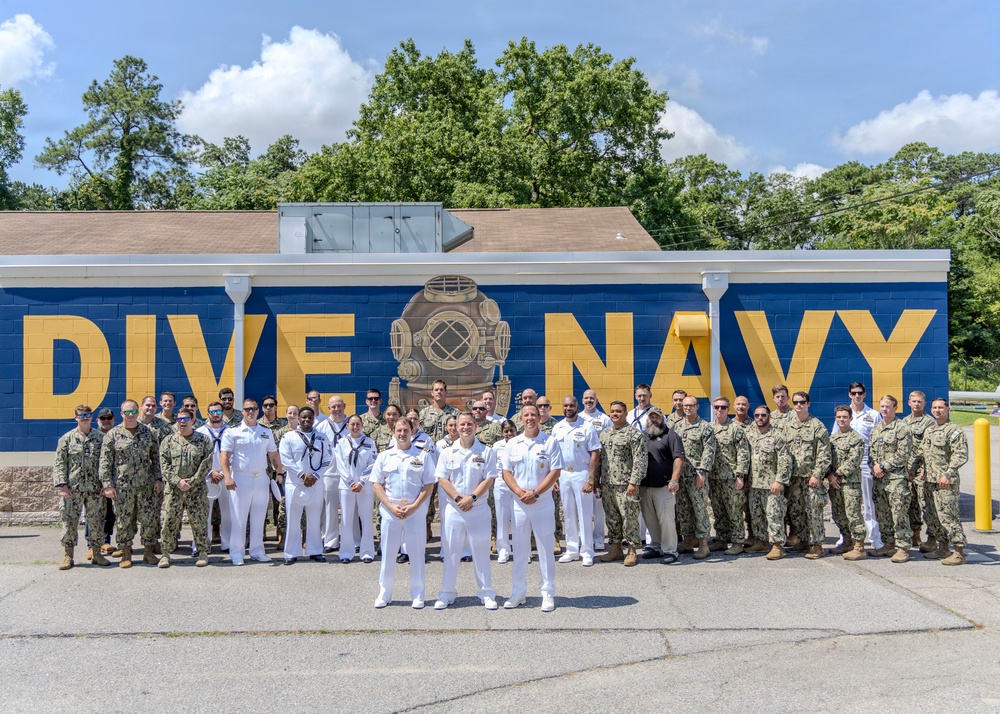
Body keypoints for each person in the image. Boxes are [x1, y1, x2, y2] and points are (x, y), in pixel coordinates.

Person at [500, 404, 564, 611]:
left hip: (542, 502)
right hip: (519, 503)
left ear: (539, 418)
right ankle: (518, 592)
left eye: (533, 415)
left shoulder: (550, 442)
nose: (530, 418)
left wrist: (535, 493)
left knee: (545, 549)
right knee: (520, 550)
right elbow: (506, 472)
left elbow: (555, 471)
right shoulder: (513, 444)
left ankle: (548, 593)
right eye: (526, 415)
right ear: (521, 419)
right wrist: (520, 492)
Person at [434, 412, 499, 610]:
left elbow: (489, 479)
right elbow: (442, 478)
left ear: (476, 426)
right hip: (454, 510)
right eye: (462, 424)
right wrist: (457, 498)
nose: (465, 427)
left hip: (478, 509)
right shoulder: (447, 452)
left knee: (481, 552)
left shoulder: (486, 451)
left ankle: (486, 593)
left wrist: (472, 498)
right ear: (456, 427)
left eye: (469, 424)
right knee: (451, 552)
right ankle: (447, 593)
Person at [370, 418, 436, 608]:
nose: (402, 434)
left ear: (412, 431)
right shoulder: (385, 456)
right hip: (391, 511)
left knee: (416, 553)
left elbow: (429, 484)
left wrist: (414, 506)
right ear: (393, 432)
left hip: (414, 512)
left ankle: (418, 593)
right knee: (388, 553)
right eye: (398, 430)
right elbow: (376, 484)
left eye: (406, 430)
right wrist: (390, 506)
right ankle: (385, 593)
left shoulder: (422, 456)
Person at [99, 400, 163, 568]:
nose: (131, 415)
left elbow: (156, 458)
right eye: (127, 412)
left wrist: (158, 478)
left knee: (148, 519)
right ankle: (126, 553)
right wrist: (108, 485)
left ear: (137, 412)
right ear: (122, 414)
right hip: (122, 487)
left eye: (133, 412)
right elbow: (105, 462)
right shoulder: (112, 435)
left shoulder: (148, 433)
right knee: (123, 520)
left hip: (146, 485)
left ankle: (148, 551)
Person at [221, 398, 285, 566]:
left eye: (254, 409)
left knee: (259, 517)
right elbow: (224, 456)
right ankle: (237, 553)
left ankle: (257, 551)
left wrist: (279, 471)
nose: (251, 412)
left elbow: (273, 454)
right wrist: (227, 477)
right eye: (248, 409)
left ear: (258, 411)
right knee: (239, 518)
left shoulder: (265, 431)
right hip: (240, 479)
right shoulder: (232, 432)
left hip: (261, 478)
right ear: (242, 411)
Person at [53, 405, 110, 569]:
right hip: (73, 489)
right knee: (69, 523)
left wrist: (106, 484)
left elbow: (106, 463)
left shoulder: (101, 438)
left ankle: (97, 554)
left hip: (95, 489)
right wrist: (62, 486)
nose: (85, 418)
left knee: (97, 522)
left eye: (87, 415)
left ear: (92, 417)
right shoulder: (67, 439)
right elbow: (59, 463)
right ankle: (68, 556)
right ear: (76, 418)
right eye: (81, 415)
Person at [157, 408, 213, 568]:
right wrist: (178, 482)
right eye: (180, 419)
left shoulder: (203, 440)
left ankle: (203, 552)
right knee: (169, 522)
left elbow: (207, 463)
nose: (182, 422)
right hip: (174, 490)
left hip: (196, 490)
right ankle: (165, 554)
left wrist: (192, 481)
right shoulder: (168, 441)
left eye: (186, 419)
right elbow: (164, 465)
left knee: (199, 521)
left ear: (192, 420)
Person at [551, 396, 601, 566]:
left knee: (584, 513)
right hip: (564, 473)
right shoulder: (558, 427)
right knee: (568, 513)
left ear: (577, 406)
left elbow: (595, 453)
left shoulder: (586, 426)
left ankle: (587, 551)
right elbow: (553, 454)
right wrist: (553, 477)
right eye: (565, 405)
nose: (568, 408)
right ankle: (572, 550)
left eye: (571, 405)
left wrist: (591, 479)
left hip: (581, 472)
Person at [920, 399, 970, 565]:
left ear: (948, 409)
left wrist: (948, 474)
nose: (937, 410)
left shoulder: (954, 430)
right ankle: (943, 548)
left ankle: (959, 552)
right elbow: (924, 452)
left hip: (945, 482)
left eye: (941, 407)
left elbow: (960, 455)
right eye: (934, 408)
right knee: (934, 516)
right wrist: (922, 469)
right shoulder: (930, 430)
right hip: (930, 480)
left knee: (948, 516)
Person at [597, 401, 648, 567]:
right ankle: (616, 549)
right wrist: (596, 480)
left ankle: (632, 551)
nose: (615, 414)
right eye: (612, 411)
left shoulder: (634, 434)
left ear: (626, 414)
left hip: (626, 485)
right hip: (608, 484)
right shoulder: (604, 434)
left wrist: (634, 482)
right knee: (612, 518)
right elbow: (600, 459)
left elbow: (640, 460)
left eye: (618, 411)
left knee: (629, 518)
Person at [278, 405, 330, 565]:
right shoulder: (288, 437)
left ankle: (315, 550)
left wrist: (315, 475)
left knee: (314, 518)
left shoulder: (322, 437)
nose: (307, 420)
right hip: (295, 483)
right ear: (298, 419)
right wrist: (302, 475)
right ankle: (291, 553)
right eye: (304, 417)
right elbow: (285, 459)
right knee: (293, 519)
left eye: (310, 417)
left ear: (314, 419)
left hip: (315, 482)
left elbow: (328, 459)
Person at [783, 391, 832, 559]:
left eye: (802, 402)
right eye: (796, 402)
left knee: (813, 512)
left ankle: (817, 545)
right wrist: (786, 475)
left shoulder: (816, 426)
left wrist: (817, 475)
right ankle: (803, 541)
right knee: (796, 511)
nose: (799, 405)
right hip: (794, 478)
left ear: (808, 403)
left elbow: (824, 454)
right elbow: (783, 452)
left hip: (811, 478)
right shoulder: (787, 426)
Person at [868, 395, 913, 562]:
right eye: (882, 406)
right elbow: (871, 452)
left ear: (895, 408)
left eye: (888, 406)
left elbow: (903, 454)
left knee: (899, 513)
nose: (884, 409)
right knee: (883, 513)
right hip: (880, 479)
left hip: (896, 479)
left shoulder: (902, 428)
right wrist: (875, 466)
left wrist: (883, 466)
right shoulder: (876, 429)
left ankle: (903, 548)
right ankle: (888, 545)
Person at [744, 407, 792, 560]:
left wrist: (779, 480)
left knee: (774, 515)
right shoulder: (749, 435)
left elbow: (785, 461)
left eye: (763, 415)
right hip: (754, 484)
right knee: (756, 515)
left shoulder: (777, 436)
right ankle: (761, 542)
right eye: (757, 415)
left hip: (771, 485)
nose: (760, 418)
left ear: (769, 417)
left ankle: (777, 546)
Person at [639, 406, 684, 564]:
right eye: (651, 417)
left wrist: (674, 479)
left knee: (666, 520)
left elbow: (679, 458)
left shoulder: (671, 435)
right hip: (645, 486)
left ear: (662, 418)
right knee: (650, 519)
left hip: (664, 486)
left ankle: (670, 550)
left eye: (657, 417)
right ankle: (657, 546)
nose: (654, 420)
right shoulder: (643, 436)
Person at [675, 395, 716, 560]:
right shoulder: (677, 426)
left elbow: (709, 451)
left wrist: (703, 472)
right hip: (681, 476)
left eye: (691, 405)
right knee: (683, 509)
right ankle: (688, 540)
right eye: (685, 405)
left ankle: (704, 544)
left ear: (697, 407)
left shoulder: (705, 427)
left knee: (700, 510)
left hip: (697, 476)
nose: (687, 408)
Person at [709, 396, 750, 555]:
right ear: (713, 409)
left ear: (728, 409)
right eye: (717, 407)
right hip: (714, 477)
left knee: (734, 511)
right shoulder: (709, 428)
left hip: (730, 478)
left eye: (723, 407)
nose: (719, 410)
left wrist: (740, 476)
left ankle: (738, 542)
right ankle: (721, 539)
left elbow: (743, 453)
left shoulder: (735, 429)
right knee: (718, 510)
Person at [336, 414, 378, 563]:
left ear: (362, 425)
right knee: (346, 520)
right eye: (352, 424)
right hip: (346, 486)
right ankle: (346, 553)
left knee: (367, 519)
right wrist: (350, 482)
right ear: (347, 426)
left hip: (364, 487)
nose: (355, 427)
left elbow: (373, 463)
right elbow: (340, 464)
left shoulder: (369, 442)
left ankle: (367, 552)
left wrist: (361, 482)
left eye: (357, 424)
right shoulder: (341, 443)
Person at [827, 405, 867, 560]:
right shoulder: (831, 439)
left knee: (853, 514)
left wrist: (836, 474)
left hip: (850, 483)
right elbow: (826, 459)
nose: (841, 420)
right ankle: (847, 541)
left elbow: (854, 460)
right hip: (835, 484)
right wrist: (829, 476)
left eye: (844, 417)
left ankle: (860, 547)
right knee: (839, 514)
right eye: (839, 417)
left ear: (851, 418)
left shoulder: (856, 438)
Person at [847, 382, 882, 548]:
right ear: (849, 395)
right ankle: (847, 539)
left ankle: (875, 538)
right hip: (847, 465)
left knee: (869, 503)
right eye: (854, 393)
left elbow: (879, 441)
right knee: (849, 503)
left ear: (865, 394)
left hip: (866, 462)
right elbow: (835, 437)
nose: (857, 396)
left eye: (860, 393)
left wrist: (876, 463)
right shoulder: (843, 413)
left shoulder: (873, 415)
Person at [904, 391, 939, 553]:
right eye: (914, 401)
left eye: (919, 402)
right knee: (911, 503)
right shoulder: (904, 422)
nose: (916, 404)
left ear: (924, 404)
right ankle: (915, 533)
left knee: (926, 504)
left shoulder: (929, 422)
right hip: (907, 469)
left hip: (922, 470)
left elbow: (930, 448)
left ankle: (932, 537)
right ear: (909, 403)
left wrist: (925, 468)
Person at [314, 395, 349, 554]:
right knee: (330, 508)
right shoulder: (322, 426)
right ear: (328, 408)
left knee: (350, 508)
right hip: (329, 473)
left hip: (348, 473)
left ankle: (352, 540)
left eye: (339, 405)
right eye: (333, 406)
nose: (336, 409)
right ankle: (331, 540)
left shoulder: (351, 424)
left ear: (344, 405)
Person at [578, 389, 611, 551]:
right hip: (582, 468)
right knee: (582, 504)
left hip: (599, 467)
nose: (589, 400)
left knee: (598, 505)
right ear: (582, 400)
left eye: (592, 398)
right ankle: (584, 537)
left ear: (596, 401)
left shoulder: (604, 419)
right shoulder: (577, 419)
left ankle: (598, 538)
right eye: (586, 398)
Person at [197, 401, 232, 552]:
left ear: (222, 413)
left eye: (218, 412)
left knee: (228, 512)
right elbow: (197, 456)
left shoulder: (231, 431)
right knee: (204, 512)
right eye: (212, 412)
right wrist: (210, 471)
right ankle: (201, 545)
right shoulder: (200, 432)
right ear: (208, 414)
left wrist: (224, 473)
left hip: (226, 476)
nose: (215, 415)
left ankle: (228, 544)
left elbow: (235, 455)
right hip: (207, 476)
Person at [492, 420, 518, 563]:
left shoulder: (521, 444)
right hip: (501, 483)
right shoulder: (497, 446)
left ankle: (522, 550)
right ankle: (503, 550)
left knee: (518, 518)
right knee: (501, 518)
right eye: (506, 431)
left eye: (511, 430)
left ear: (516, 431)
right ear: (502, 433)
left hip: (518, 484)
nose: (509, 434)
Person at [94, 407, 117, 554]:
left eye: (109, 418)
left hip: (113, 483)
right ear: (98, 420)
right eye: (103, 418)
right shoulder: (93, 437)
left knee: (110, 514)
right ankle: (92, 546)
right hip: (95, 484)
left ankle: (106, 541)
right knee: (94, 515)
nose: (106, 421)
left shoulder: (117, 435)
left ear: (113, 420)